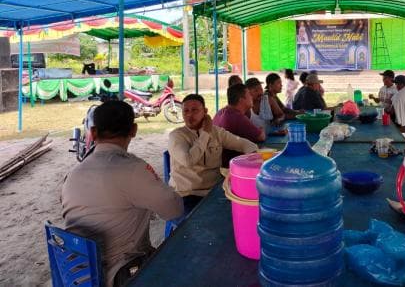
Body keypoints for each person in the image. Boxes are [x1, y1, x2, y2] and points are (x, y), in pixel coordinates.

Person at [61, 101, 183, 287]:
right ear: (134, 130)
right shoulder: (134, 169)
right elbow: (174, 210)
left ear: (93, 133)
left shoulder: (73, 174)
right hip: (119, 274)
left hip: (74, 274)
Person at [168, 94, 258, 214]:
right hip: (186, 194)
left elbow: (242, 144)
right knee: (202, 226)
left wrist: (254, 156)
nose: (189, 115)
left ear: (205, 111)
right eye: (186, 111)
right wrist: (205, 133)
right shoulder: (177, 136)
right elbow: (188, 161)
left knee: (244, 210)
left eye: (195, 110)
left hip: (213, 191)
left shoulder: (217, 132)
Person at [213, 83, 266, 167]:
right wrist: (262, 128)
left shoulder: (221, 112)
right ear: (241, 100)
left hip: (221, 164)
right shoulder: (237, 117)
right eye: (249, 94)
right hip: (233, 166)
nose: (252, 97)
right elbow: (261, 137)